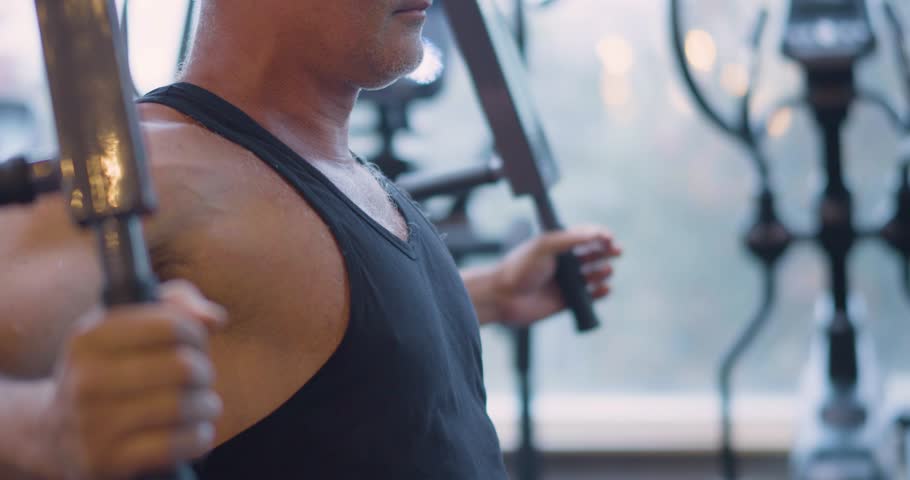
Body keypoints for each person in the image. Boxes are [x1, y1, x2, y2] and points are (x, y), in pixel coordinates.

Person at [0, 1, 621, 479]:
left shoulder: (341, 170)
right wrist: (44, 432)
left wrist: (485, 295)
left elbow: (308, 328)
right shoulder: (158, 172)